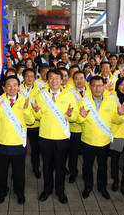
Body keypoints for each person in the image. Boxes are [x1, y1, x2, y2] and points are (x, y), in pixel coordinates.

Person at [31, 69, 79, 204]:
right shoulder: (41, 95)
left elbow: (75, 116)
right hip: (45, 136)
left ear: (62, 80)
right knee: (46, 166)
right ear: (47, 80)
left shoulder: (69, 95)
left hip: (62, 138)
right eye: (51, 78)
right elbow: (38, 116)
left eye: (57, 78)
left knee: (60, 166)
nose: (54, 81)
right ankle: (47, 190)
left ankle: (60, 191)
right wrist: (35, 111)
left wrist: (70, 115)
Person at [78, 76, 124, 199]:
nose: (97, 88)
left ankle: (102, 187)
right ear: (90, 87)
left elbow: (115, 120)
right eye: (94, 85)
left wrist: (121, 114)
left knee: (103, 166)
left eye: (100, 85)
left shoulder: (111, 101)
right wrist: (82, 117)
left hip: (104, 141)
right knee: (87, 166)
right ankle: (88, 186)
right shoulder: (84, 101)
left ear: (104, 86)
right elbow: (78, 119)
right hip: (88, 140)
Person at [0, 76, 35, 204]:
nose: (12, 88)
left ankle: (19, 192)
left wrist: (26, 110)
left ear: (19, 87)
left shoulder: (25, 101)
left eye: (15, 85)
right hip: (2, 143)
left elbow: (31, 121)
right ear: (4, 88)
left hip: (18, 143)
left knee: (19, 171)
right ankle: (2, 191)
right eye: (9, 85)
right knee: (2, 171)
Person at [67, 70, 90, 183]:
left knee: (87, 154)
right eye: (76, 78)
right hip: (74, 128)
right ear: (73, 80)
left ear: (85, 79)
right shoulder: (69, 92)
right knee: (73, 153)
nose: (79, 81)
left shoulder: (91, 90)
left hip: (88, 128)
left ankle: (86, 174)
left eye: (81, 78)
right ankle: (73, 173)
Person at [21, 68, 42, 178]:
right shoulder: (18, 88)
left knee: (35, 148)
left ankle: (36, 167)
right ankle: (19, 169)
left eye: (31, 76)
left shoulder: (40, 90)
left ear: (35, 78)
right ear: (23, 77)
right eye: (27, 76)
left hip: (35, 124)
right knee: (20, 148)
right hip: (20, 123)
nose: (29, 78)